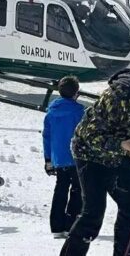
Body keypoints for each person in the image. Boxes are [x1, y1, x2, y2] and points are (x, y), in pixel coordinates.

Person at [59, 59, 130, 256]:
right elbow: (88, 134)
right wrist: (119, 145)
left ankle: (127, 253)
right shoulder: (119, 95)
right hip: (89, 153)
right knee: (94, 212)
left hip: (119, 157)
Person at [43, 75, 85, 238]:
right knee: (77, 191)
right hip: (76, 157)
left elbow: (47, 137)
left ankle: (56, 226)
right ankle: (71, 224)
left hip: (58, 158)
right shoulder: (79, 112)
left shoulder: (51, 112)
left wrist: (48, 159)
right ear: (76, 93)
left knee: (60, 190)